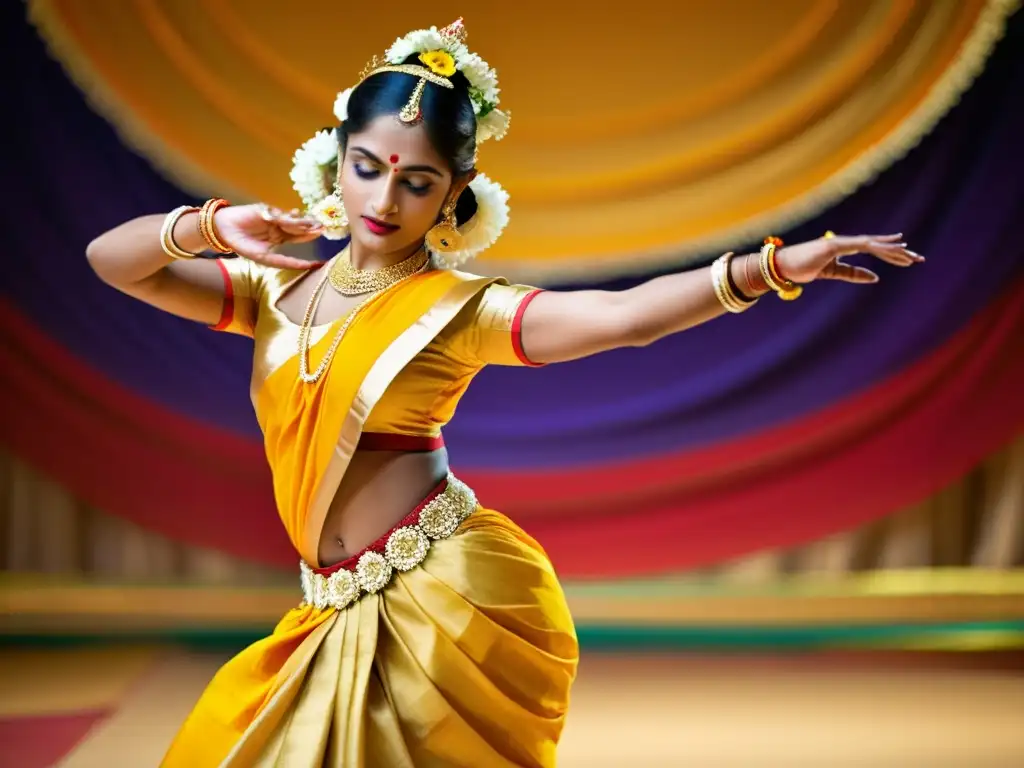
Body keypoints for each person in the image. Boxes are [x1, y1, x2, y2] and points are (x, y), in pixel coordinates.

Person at [85, 19, 922, 768]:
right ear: (334, 160)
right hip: (329, 603)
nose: (382, 199)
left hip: (438, 603)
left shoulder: (459, 310)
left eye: (416, 182)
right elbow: (111, 262)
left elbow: (622, 318)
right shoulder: (272, 294)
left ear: (454, 195)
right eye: (367, 167)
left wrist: (771, 268)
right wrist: (203, 227)